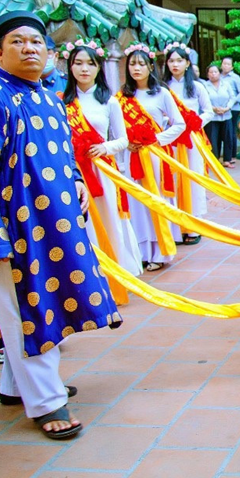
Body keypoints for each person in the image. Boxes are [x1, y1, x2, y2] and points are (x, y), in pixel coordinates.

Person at [0, 10, 122, 440]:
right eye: (18, 42)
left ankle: (16, 386)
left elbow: (63, 152)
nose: (30, 48)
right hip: (13, 230)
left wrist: (78, 181)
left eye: (36, 42)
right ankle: (47, 402)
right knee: (28, 308)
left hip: (55, 222)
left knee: (42, 300)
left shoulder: (47, 96)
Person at [62, 39, 143, 293]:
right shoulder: (60, 102)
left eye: (90, 64)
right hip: (72, 171)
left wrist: (105, 148)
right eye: (78, 63)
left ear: (98, 68)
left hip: (101, 170)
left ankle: (112, 272)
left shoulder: (109, 101)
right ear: (70, 67)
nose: (84, 69)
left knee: (107, 218)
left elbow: (123, 139)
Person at [118, 44, 185, 272]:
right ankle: (141, 252)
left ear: (150, 66)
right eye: (132, 64)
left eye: (141, 64)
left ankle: (159, 251)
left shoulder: (161, 93)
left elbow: (180, 124)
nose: (136, 68)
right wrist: (126, 143)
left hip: (154, 156)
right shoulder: (121, 96)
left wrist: (157, 139)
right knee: (136, 203)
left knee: (154, 203)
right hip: (130, 156)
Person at [165, 44, 214, 244]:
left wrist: (194, 124)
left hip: (192, 140)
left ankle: (194, 226)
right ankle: (177, 226)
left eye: (179, 60)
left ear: (187, 63)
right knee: (173, 181)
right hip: (171, 140)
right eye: (171, 61)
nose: (175, 65)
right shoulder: (162, 88)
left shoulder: (197, 86)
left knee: (192, 179)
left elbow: (208, 111)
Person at [204, 64, 237, 165]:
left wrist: (227, 108)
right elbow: (204, 100)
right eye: (211, 72)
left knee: (228, 137)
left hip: (226, 115)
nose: (213, 74)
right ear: (207, 74)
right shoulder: (205, 85)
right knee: (213, 138)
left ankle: (227, 160)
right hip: (212, 117)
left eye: (215, 72)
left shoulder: (226, 84)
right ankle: (214, 160)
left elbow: (232, 97)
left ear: (219, 73)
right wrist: (213, 108)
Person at [219, 56, 240, 168]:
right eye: (224, 64)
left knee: (230, 131)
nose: (226, 66)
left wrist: (233, 102)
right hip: (218, 109)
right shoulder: (217, 76)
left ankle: (231, 155)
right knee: (220, 133)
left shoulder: (235, 78)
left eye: (228, 64)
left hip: (232, 108)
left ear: (232, 66)